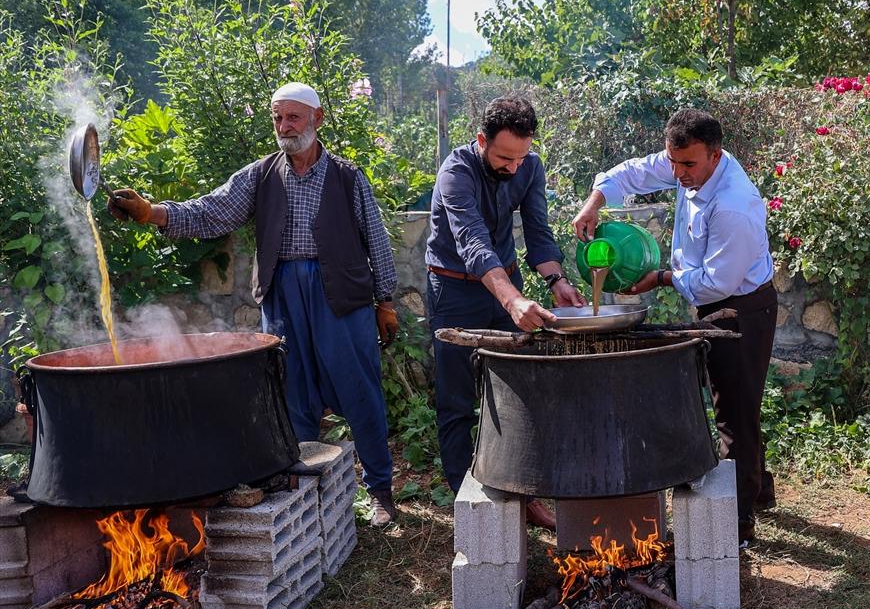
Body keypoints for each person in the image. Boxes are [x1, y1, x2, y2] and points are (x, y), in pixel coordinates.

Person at [106, 82, 402, 527]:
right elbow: (211, 212)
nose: (284, 126)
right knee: (291, 393)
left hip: (339, 293)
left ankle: (379, 490)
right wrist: (154, 213)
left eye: (293, 117)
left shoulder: (347, 176)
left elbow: (375, 238)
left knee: (360, 390)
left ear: (317, 120)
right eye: (278, 117)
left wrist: (386, 299)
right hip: (282, 292)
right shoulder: (260, 174)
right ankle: (307, 492)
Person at [571, 108, 776, 547]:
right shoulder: (686, 161)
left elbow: (713, 284)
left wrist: (662, 276)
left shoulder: (735, 206)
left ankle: (736, 527)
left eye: (688, 165)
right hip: (715, 301)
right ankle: (759, 490)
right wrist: (595, 202)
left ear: (715, 156)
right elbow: (629, 173)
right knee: (738, 402)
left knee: (733, 413)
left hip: (740, 307)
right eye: (673, 162)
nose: (678, 173)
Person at [425, 96, 584, 528]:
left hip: (504, 283)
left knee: (516, 392)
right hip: (454, 291)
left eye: (521, 157)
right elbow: (472, 242)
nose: (514, 167)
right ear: (481, 141)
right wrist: (512, 299)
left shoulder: (529, 166)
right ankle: (466, 499)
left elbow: (537, 230)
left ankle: (522, 493)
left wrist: (557, 281)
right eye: (504, 157)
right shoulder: (455, 173)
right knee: (457, 400)